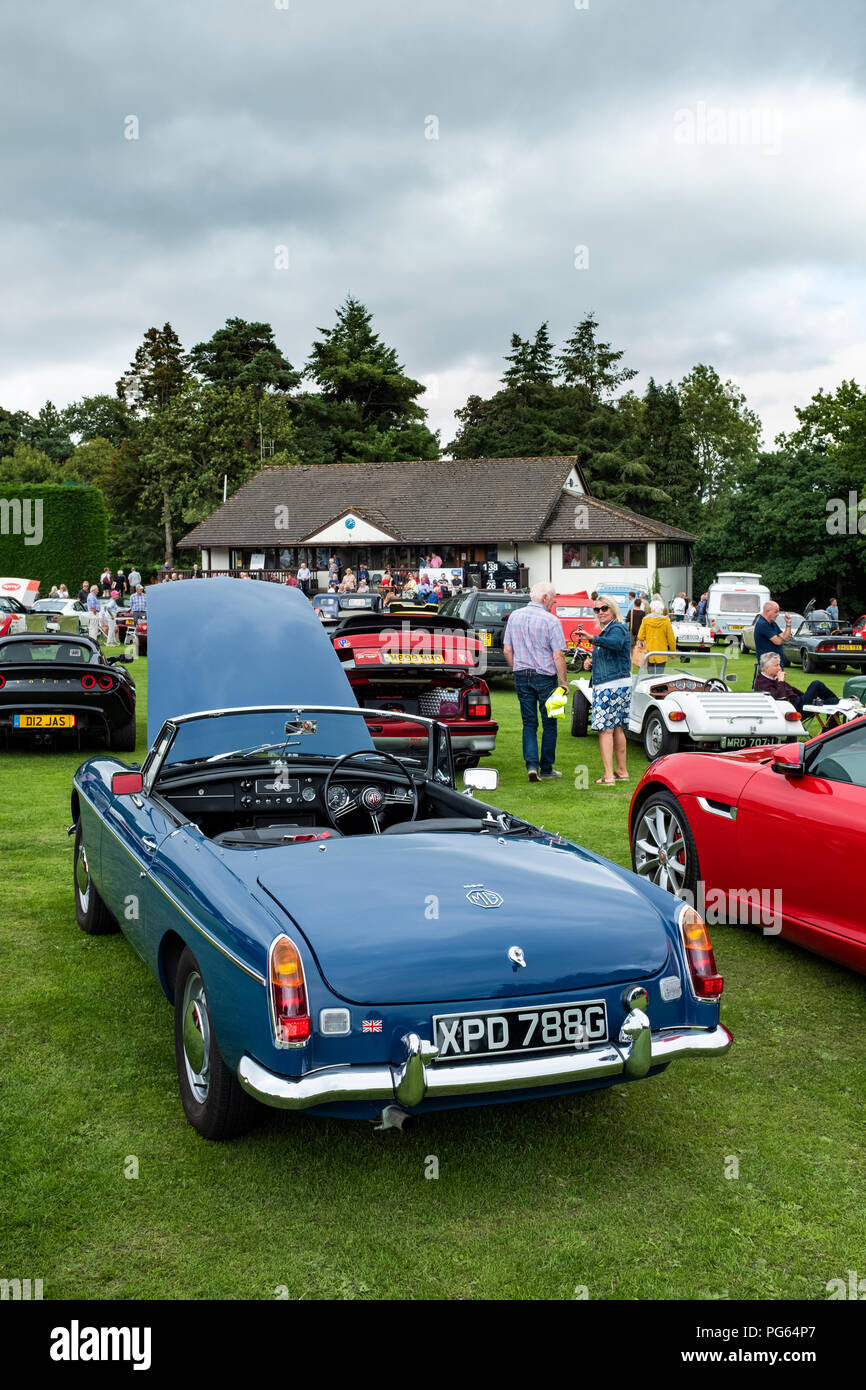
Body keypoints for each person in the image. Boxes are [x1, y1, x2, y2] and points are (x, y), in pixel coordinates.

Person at [503, 580, 568, 782]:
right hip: (546, 677)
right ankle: (547, 768)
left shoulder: (515, 616)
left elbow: (507, 649)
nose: (553, 604)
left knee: (529, 723)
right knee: (550, 723)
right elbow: (558, 655)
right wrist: (564, 683)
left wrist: (516, 669)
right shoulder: (551, 621)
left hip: (522, 674)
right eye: (553, 601)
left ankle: (532, 765)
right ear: (545, 597)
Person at [583, 596, 631, 784]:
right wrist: (592, 662)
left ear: (613, 610)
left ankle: (609, 775)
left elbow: (615, 644)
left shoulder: (617, 627)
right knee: (617, 728)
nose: (601, 612)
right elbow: (613, 654)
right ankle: (621, 771)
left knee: (605, 730)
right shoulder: (609, 630)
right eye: (597, 609)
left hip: (610, 686)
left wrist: (593, 639)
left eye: (605, 608)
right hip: (617, 684)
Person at [755, 652, 839, 718]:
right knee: (816, 684)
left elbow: (793, 689)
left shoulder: (773, 678)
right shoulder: (762, 683)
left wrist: (811, 697)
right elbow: (780, 698)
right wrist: (781, 681)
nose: (780, 668)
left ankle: (831, 732)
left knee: (833, 702)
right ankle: (844, 704)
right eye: (776, 665)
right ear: (766, 668)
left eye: (779, 664)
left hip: (800, 703)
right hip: (792, 710)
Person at [753, 601, 793, 682]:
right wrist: (782, 637)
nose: (778, 614)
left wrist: (788, 624)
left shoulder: (772, 624)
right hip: (768, 666)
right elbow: (778, 641)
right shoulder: (762, 624)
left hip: (775, 664)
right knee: (770, 691)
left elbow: (786, 638)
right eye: (776, 611)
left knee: (778, 690)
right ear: (767, 611)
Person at [637, 599, 677, 672]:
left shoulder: (645, 620)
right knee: (660, 677)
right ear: (661, 608)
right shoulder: (666, 621)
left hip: (649, 652)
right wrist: (673, 652)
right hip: (661, 653)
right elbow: (671, 639)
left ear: (651, 608)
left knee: (650, 677)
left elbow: (640, 636)